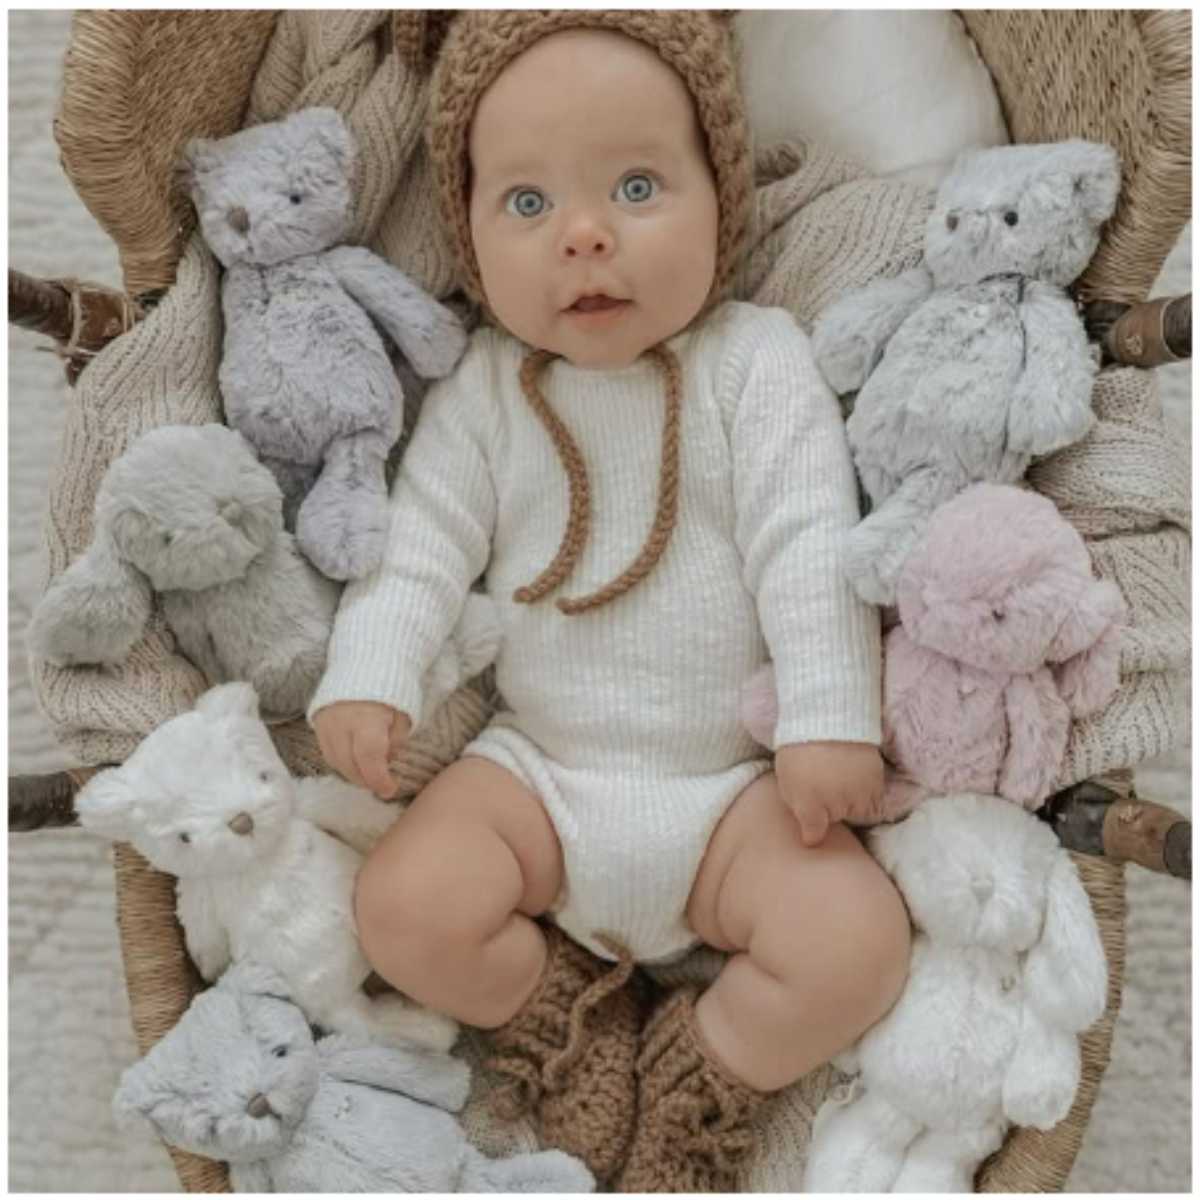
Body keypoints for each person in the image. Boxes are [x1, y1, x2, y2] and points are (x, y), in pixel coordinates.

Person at [310, 11, 910, 1191]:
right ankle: (559, 1021)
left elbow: (808, 540)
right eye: (527, 203)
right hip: (536, 777)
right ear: (470, 237)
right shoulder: (489, 389)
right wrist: (370, 674)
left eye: (637, 188)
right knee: (406, 905)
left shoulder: (754, 359)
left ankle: (705, 1071)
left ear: (720, 198)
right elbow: (419, 543)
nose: (584, 236)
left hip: (730, 796)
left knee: (856, 946)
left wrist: (828, 717)